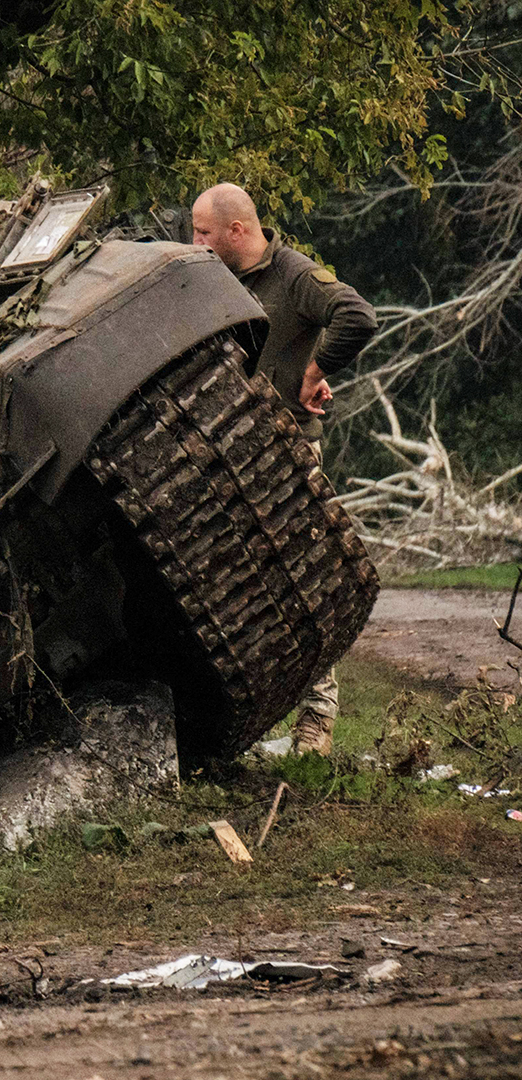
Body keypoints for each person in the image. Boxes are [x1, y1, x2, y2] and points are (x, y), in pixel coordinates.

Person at [190, 182, 378, 754]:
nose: (194, 242)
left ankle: (316, 720)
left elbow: (356, 315)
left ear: (237, 230)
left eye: (203, 232)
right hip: (224, 455)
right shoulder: (209, 275)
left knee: (304, 584)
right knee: (236, 592)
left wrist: (316, 370)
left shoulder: (293, 275)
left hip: (287, 451)